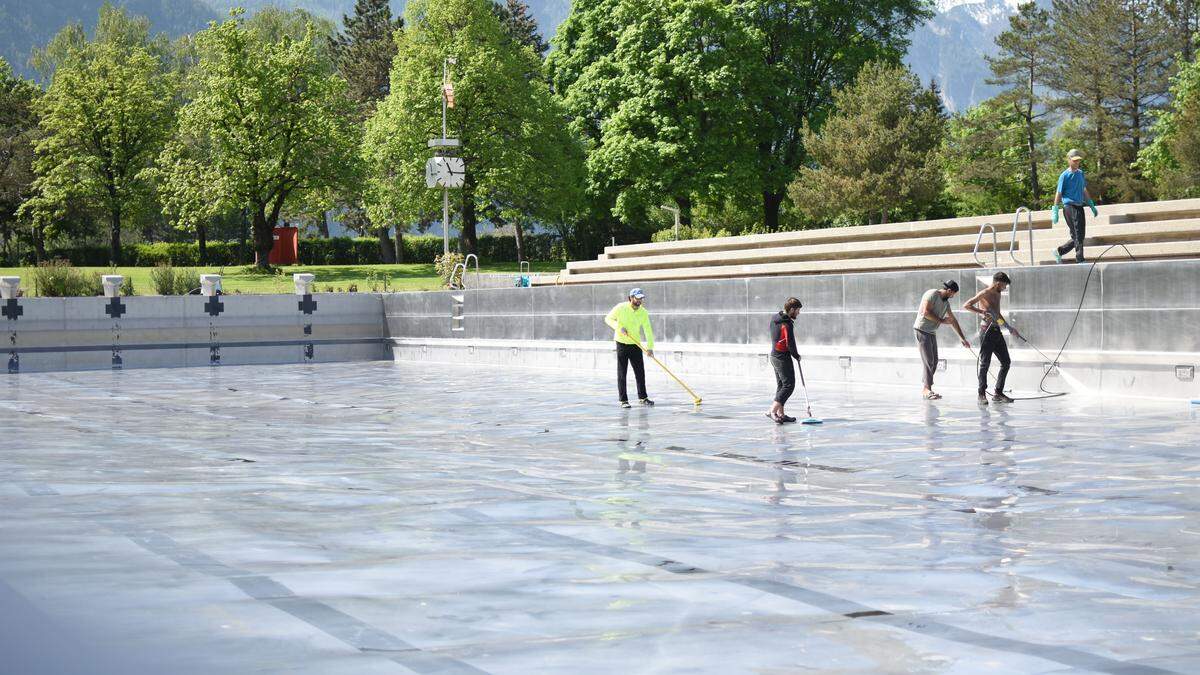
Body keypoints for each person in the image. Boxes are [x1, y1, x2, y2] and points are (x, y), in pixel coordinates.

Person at [964, 271, 1023, 405]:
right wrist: (982, 312)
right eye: (1004, 285)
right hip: (986, 331)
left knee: (1006, 362)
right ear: (998, 283)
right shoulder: (984, 293)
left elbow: (997, 315)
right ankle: (981, 394)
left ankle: (998, 393)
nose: (1005, 288)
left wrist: (1009, 327)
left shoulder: (998, 293)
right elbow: (967, 305)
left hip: (997, 331)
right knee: (985, 363)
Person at [913, 280, 971, 400]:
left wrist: (962, 338)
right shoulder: (932, 294)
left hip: (931, 332)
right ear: (949, 291)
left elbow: (953, 320)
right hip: (921, 330)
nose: (953, 296)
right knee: (929, 361)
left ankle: (926, 387)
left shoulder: (946, 304)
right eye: (953, 294)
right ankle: (926, 389)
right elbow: (926, 312)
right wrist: (942, 321)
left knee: (934, 361)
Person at [604, 288, 655, 408]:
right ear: (630, 298)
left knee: (640, 372)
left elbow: (648, 330)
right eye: (637, 298)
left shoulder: (643, 312)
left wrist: (650, 347)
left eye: (641, 298)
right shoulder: (620, 307)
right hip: (621, 343)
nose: (639, 301)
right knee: (622, 372)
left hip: (635, 344)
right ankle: (623, 400)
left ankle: (643, 397)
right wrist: (619, 327)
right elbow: (608, 319)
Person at [1051, 149, 1099, 264]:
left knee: (1079, 235)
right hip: (1069, 206)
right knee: (1078, 233)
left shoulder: (1080, 173)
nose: (1077, 163)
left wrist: (1091, 204)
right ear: (1069, 160)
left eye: (1078, 161)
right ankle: (1080, 259)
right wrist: (1055, 209)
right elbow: (1059, 192)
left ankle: (1059, 251)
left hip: (1079, 206)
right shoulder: (1064, 175)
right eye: (1074, 161)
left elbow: (1083, 190)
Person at [767, 297, 803, 424]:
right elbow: (790, 343)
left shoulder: (775, 318)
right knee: (789, 385)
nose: (798, 313)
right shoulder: (786, 324)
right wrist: (796, 355)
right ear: (792, 309)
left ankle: (780, 414)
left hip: (774, 356)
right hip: (782, 357)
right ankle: (772, 411)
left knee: (781, 386)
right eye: (798, 310)